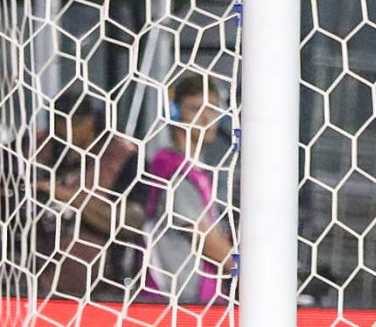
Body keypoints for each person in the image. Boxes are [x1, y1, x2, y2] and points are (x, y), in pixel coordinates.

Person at [32, 87, 144, 300]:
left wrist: (70, 197)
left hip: (103, 291)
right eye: (58, 123)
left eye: (72, 123)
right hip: (39, 288)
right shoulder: (37, 147)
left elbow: (131, 223)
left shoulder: (123, 157)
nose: (63, 130)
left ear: (91, 121)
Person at [137, 73, 237, 306]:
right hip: (181, 302)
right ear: (174, 113)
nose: (206, 119)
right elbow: (207, 242)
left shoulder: (194, 171)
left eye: (212, 109)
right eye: (195, 109)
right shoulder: (177, 175)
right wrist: (255, 275)